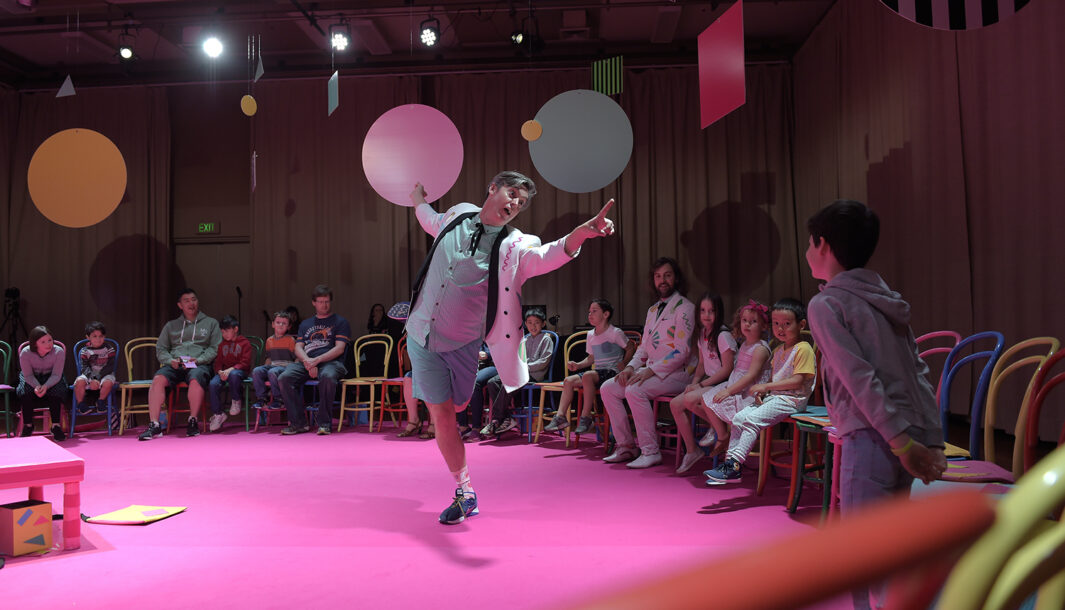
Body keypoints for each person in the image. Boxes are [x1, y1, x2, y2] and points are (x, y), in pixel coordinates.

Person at [406, 171, 615, 525]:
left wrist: (581, 234)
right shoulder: (457, 214)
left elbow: (547, 254)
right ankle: (465, 491)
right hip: (421, 333)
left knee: (455, 405)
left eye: (522, 202)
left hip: (463, 344)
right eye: (512, 193)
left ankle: (455, 412)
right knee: (441, 415)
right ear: (493, 189)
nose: (515, 203)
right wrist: (417, 200)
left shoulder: (515, 245)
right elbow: (431, 219)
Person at [804, 200, 946, 610]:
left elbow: (858, 378)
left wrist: (900, 444)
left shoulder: (827, 304)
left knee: (865, 556)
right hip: (907, 434)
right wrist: (928, 439)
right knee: (891, 550)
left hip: (874, 436)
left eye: (810, 242)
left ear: (823, 245)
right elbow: (916, 371)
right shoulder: (884, 298)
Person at [704, 298, 817, 484]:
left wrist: (766, 387)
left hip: (793, 400)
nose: (781, 329)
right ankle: (729, 467)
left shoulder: (803, 348)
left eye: (787, 324)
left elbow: (797, 381)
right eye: (776, 324)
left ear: (801, 324)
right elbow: (776, 378)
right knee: (739, 417)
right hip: (776, 397)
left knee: (751, 420)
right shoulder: (779, 350)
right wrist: (763, 393)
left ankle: (734, 465)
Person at [600, 257, 695, 469]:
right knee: (608, 388)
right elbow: (644, 347)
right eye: (658, 276)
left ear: (676, 278)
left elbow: (682, 351)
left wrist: (649, 371)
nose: (662, 280)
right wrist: (631, 367)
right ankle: (626, 446)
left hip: (678, 374)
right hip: (651, 371)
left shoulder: (685, 308)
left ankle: (650, 451)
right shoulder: (653, 310)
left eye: (667, 275)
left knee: (634, 390)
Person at [139, 288, 221, 441]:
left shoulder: (211, 323)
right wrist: (170, 361)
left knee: (196, 378)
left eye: (194, 299)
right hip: (176, 363)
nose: (191, 303)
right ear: (180, 305)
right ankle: (154, 424)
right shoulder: (171, 326)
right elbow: (161, 349)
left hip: (199, 363)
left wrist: (200, 360)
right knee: (158, 380)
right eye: (186, 300)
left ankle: (193, 421)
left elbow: (215, 347)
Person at [544, 298, 634, 435]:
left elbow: (630, 347)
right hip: (597, 373)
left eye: (594, 311)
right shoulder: (591, 334)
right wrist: (578, 365)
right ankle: (560, 417)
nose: (590, 315)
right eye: (589, 312)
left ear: (606, 314)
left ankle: (586, 418)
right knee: (568, 381)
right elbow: (591, 358)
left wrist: (625, 363)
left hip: (612, 372)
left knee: (587, 376)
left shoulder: (615, 332)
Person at [669, 293, 737, 474]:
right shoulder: (702, 334)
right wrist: (695, 382)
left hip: (724, 384)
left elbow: (727, 369)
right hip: (709, 382)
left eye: (711, 311)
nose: (707, 315)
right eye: (703, 311)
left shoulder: (723, 335)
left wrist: (701, 385)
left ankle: (719, 430)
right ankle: (693, 450)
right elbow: (701, 364)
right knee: (675, 404)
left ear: (719, 313)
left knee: (690, 400)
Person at [699, 301, 772, 458]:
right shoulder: (745, 344)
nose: (747, 324)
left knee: (722, 403)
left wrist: (729, 391)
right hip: (735, 384)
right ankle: (722, 435)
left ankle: (733, 452)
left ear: (764, 326)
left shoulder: (760, 348)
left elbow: (751, 376)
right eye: (744, 320)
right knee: (707, 399)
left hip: (748, 391)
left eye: (753, 322)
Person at [279, 285, 351, 435]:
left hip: (332, 362)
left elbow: (339, 348)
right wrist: (307, 361)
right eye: (320, 302)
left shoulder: (340, 322)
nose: (324, 305)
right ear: (314, 303)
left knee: (327, 376)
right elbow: (298, 347)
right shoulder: (306, 324)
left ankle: (324, 423)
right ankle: (299, 423)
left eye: (327, 301)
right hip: (308, 361)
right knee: (284, 377)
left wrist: (316, 361)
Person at [480, 309, 555, 437]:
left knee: (508, 382)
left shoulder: (546, 339)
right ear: (525, 324)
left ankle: (497, 419)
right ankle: (506, 417)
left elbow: (543, 362)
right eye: (530, 323)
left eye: (536, 322)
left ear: (543, 324)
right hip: (520, 373)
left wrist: (524, 368)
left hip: (535, 375)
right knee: (492, 382)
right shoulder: (524, 340)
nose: (533, 326)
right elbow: (518, 359)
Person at [16, 325, 67, 440]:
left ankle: (55, 426)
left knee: (57, 390)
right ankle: (28, 425)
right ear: (35, 344)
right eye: (43, 342)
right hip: (32, 377)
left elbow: (56, 375)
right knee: (25, 391)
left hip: (51, 377)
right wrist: (37, 386)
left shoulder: (58, 351)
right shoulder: (26, 352)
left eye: (50, 340)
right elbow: (28, 375)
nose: (48, 344)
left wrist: (45, 386)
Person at [206, 315, 253, 432]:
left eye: (227, 331)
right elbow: (218, 363)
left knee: (234, 374)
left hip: (239, 372)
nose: (224, 334)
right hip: (225, 373)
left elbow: (245, 362)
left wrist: (231, 369)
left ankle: (236, 400)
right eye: (222, 332)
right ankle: (218, 414)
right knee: (213, 384)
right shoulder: (222, 345)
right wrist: (220, 371)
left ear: (235, 329)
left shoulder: (244, 343)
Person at [252, 311, 297, 411]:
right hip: (273, 365)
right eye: (278, 322)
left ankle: (279, 400)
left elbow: (296, 358)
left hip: (286, 367)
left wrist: (294, 370)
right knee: (257, 371)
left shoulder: (290, 340)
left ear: (289, 327)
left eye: (284, 323)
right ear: (273, 324)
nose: (280, 325)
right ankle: (262, 398)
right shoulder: (269, 340)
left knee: (273, 372)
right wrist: (264, 370)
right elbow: (269, 358)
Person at [73, 321, 116, 414]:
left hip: (105, 374)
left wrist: (98, 378)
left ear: (104, 337)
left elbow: (110, 366)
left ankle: (100, 401)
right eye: (94, 336)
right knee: (79, 382)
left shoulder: (109, 349)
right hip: (89, 375)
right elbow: (84, 367)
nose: (98, 339)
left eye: (101, 336)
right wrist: (92, 378)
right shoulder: (85, 351)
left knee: (108, 383)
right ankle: (81, 404)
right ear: (88, 337)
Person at [457, 342, 494, 441]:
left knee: (475, 381)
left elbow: (502, 349)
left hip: (493, 364)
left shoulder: (492, 330)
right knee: (458, 380)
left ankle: (476, 428)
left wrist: (487, 354)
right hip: (472, 366)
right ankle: (463, 427)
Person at [359, 303, 402, 377]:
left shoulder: (389, 323)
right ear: (373, 312)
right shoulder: (372, 323)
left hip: (385, 349)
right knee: (362, 355)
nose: (379, 312)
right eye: (376, 310)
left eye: (380, 310)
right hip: (373, 349)